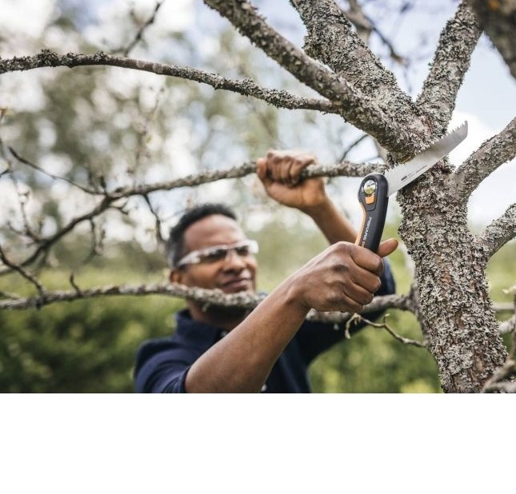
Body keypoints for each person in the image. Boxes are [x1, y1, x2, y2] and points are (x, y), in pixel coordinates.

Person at [134, 150, 398, 393]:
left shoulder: (290, 327)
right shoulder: (160, 356)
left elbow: (375, 293)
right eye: (213, 255)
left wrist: (319, 206)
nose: (237, 264)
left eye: (242, 250)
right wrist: (294, 293)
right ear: (177, 279)